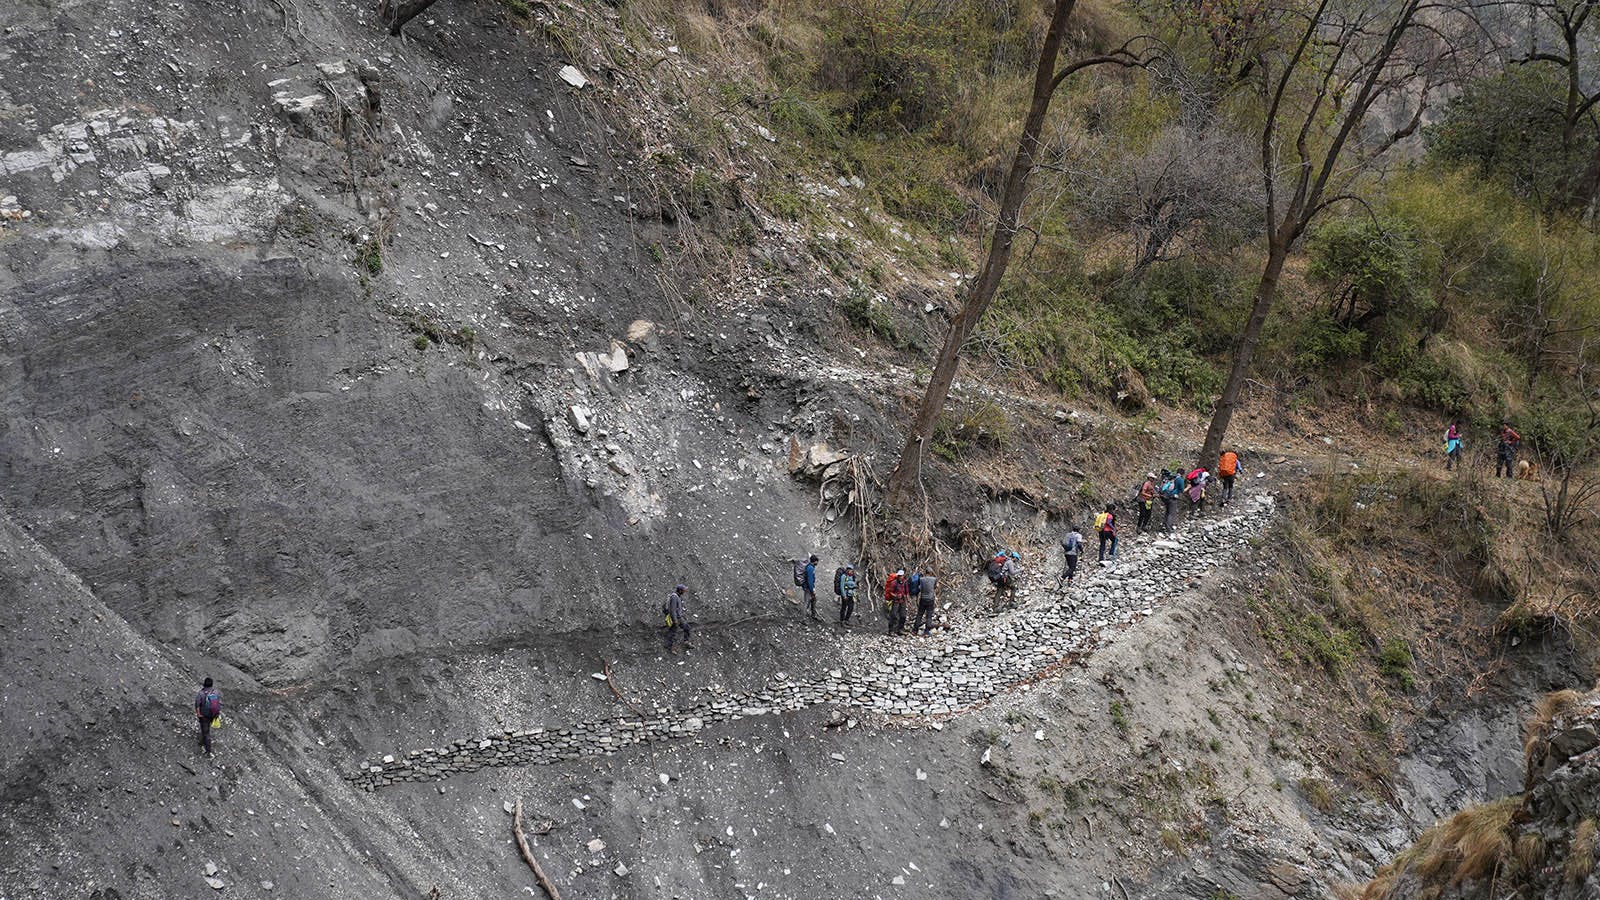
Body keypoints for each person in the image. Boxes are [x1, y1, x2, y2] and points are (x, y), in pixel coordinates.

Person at [195, 677, 222, 757]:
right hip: (213, 714)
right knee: (207, 729)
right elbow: (219, 703)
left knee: (206, 732)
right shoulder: (216, 692)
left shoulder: (201, 693)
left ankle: (208, 751)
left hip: (204, 715)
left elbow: (197, 704)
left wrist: (198, 713)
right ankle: (203, 741)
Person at [664, 584, 693, 652]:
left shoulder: (677, 596)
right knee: (672, 633)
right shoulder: (674, 597)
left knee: (687, 627)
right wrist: (675, 620)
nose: (684, 591)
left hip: (679, 618)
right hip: (676, 619)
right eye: (683, 590)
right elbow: (672, 610)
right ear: (680, 590)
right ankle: (669, 647)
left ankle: (686, 642)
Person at [911, 570, 938, 635]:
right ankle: (926, 631)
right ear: (931, 573)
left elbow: (919, 588)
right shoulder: (934, 579)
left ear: (925, 573)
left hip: (922, 599)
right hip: (930, 599)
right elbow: (935, 587)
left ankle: (915, 630)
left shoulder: (921, 579)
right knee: (929, 615)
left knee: (919, 614)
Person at [885, 569, 910, 636]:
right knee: (893, 615)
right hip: (895, 601)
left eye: (901, 576)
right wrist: (896, 596)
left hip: (902, 601)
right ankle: (891, 631)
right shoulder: (894, 583)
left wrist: (908, 600)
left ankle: (900, 629)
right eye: (899, 576)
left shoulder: (905, 583)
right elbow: (890, 592)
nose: (900, 577)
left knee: (903, 615)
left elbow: (907, 592)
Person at [1158, 469, 1181, 534]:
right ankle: (1168, 528)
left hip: (1165, 498)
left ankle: (1164, 525)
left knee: (1167, 512)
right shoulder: (1172, 483)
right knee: (1171, 513)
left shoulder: (1164, 481)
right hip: (1171, 499)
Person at [802, 555, 819, 619]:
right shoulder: (810, 568)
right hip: (808, 588)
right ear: (815, 561)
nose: (817, 563)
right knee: (806, 602)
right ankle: (803, 619)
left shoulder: (810, 567)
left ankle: (813, 614)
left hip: (808, 587)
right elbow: (810, 581)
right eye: (817, 561)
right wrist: (812, 590)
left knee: (814, 599)